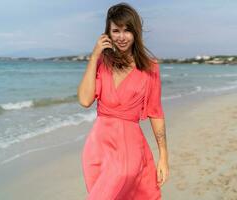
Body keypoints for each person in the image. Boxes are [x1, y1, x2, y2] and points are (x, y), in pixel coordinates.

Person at [77, 2, 169, 200]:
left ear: (135, 32)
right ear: (107, 33)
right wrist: (94, 56)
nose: (121, 37)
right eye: (116, 30)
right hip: (98, 147)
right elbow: (85, 100)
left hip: (129, 146)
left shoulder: (150, 68)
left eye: (127, 30)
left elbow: (155, 112)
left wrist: (163, 157)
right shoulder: (102, 63)